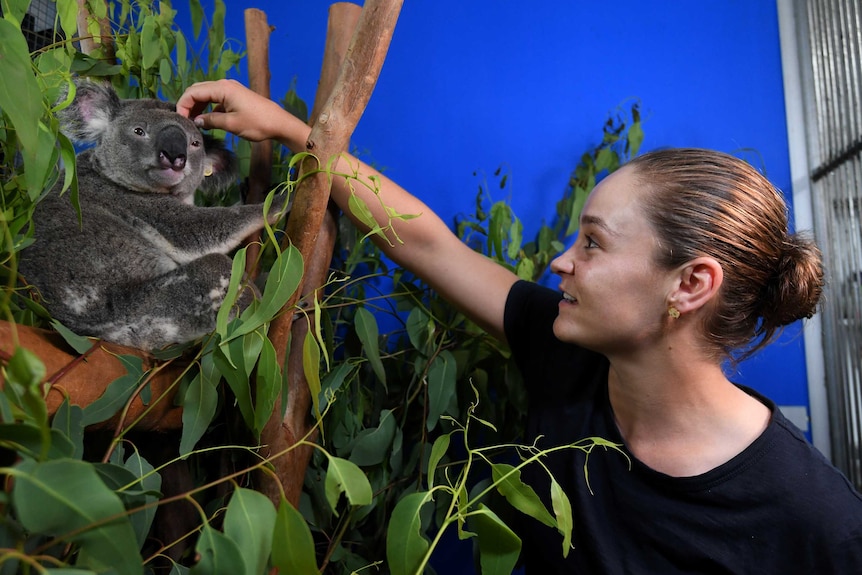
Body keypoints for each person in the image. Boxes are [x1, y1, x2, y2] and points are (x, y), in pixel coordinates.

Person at [177, 79, 862, 574]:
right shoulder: (566, 349)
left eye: (593, 243)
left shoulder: (818, 524)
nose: (561, 262)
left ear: (690, 284)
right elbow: (428, 245)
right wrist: (297, 132)